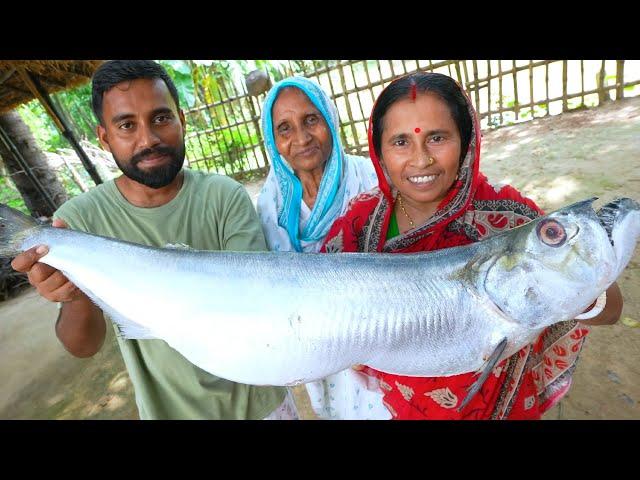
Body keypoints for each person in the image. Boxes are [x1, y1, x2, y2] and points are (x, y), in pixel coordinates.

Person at [320, 71, 623, 420]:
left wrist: (564, 284)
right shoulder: (359, 225)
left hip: (506, 409)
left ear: (466, 140)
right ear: (379, 149)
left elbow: (611, 308)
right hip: (408, 410)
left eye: (437, 137)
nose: (421, 160)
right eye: (400, 142)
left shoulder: (512, 219)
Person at [11, 60, 293, 420]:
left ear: (182, 120)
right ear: (105, 137)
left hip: (262, 406)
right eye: (127, 125)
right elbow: (83, 346)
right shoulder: (78, 221)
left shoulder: (225, 196)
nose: (149, 139)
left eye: (161, 118)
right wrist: (74, 292)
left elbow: (252, 308)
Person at [256, 76, 390, 419]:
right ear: (272, 140)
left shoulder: (370, 179)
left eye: (311, 120)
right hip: (316, 346)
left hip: (374, 334)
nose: (300, 138)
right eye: (284, 128)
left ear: (330, 119)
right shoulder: (271, 200)